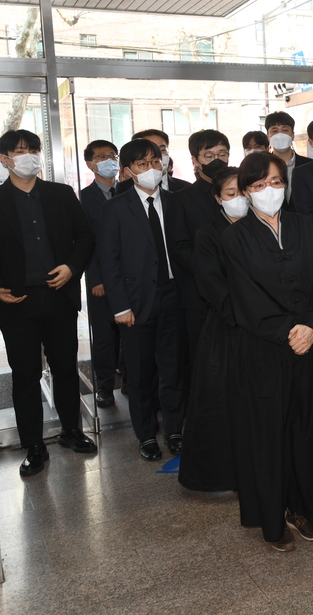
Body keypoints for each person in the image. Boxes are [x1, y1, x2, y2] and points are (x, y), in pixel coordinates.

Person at [223, 152, 313, 551]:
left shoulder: (308, 226)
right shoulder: (235, 237)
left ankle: (305, 508)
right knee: (270, 435)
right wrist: (286, 331)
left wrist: (312, 325)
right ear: (245, 193)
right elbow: (245, 297)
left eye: (276, 183)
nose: (269, 191)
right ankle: (272, 517)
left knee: (310, 432)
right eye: (258, 186)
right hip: (264, 350)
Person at [0, 129, 98, 477]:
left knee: (65, 369)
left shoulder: (61, 194)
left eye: (33, 150)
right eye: (20, 151)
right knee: (25, 375)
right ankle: (33, 445)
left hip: (58, 295)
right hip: (17, 302)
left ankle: (72, 431)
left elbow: (86, 236)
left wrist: (72, 268)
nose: (29, 156)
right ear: (5, 159)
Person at [98, 138, 186, 460]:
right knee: (139, 374)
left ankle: (175, 430)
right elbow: (109, 261)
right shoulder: (115, 208)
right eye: (142, 164)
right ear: (128, 171)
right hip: (135, 304)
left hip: (174, 298)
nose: (151, 169)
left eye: (155, 162)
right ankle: (146, 435)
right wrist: (120, 306)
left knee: (173, 370)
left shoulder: (177, 202)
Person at [179, 167, 244, 493]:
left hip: (266, 327)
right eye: (232, 194)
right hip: (227, 327)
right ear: (219, 200)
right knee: (222, 404)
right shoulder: (208, 234)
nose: (240, 199)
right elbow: (211, 284)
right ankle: (225, 476)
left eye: (245, 191)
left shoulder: (264, 226)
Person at [168, 129, 230, 401]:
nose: (217, 160)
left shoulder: (241, 192)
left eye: (222, 154)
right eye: (209, 155)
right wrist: (213, 276)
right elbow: (180, 249)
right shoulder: (180, 199)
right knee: (202, 365)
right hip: (199, 296)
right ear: (195, 160)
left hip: (241, 293)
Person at [80, 139, 122, 408]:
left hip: (129, 277)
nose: (108, 160)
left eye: (112, 155)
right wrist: (95, 279)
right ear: (90, 164)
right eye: (101, 156)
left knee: (131, 333)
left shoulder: (129, 191)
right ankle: (105, 385)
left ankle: (130, 379)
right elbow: (86, 242)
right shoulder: (84, 197)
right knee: (105, 335)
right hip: (100, 280)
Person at [116, 129, 191, 193]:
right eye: (148, 151)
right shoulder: (123, 188)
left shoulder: (186, 188)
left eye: (162, 150)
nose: (158, 155)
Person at [265, 111, 312, 208]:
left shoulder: (310, 166)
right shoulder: (261, 167)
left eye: (285, 130)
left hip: (304, 221)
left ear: (293, 135)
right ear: (268, 137)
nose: (280, 134)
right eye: (274, 131)